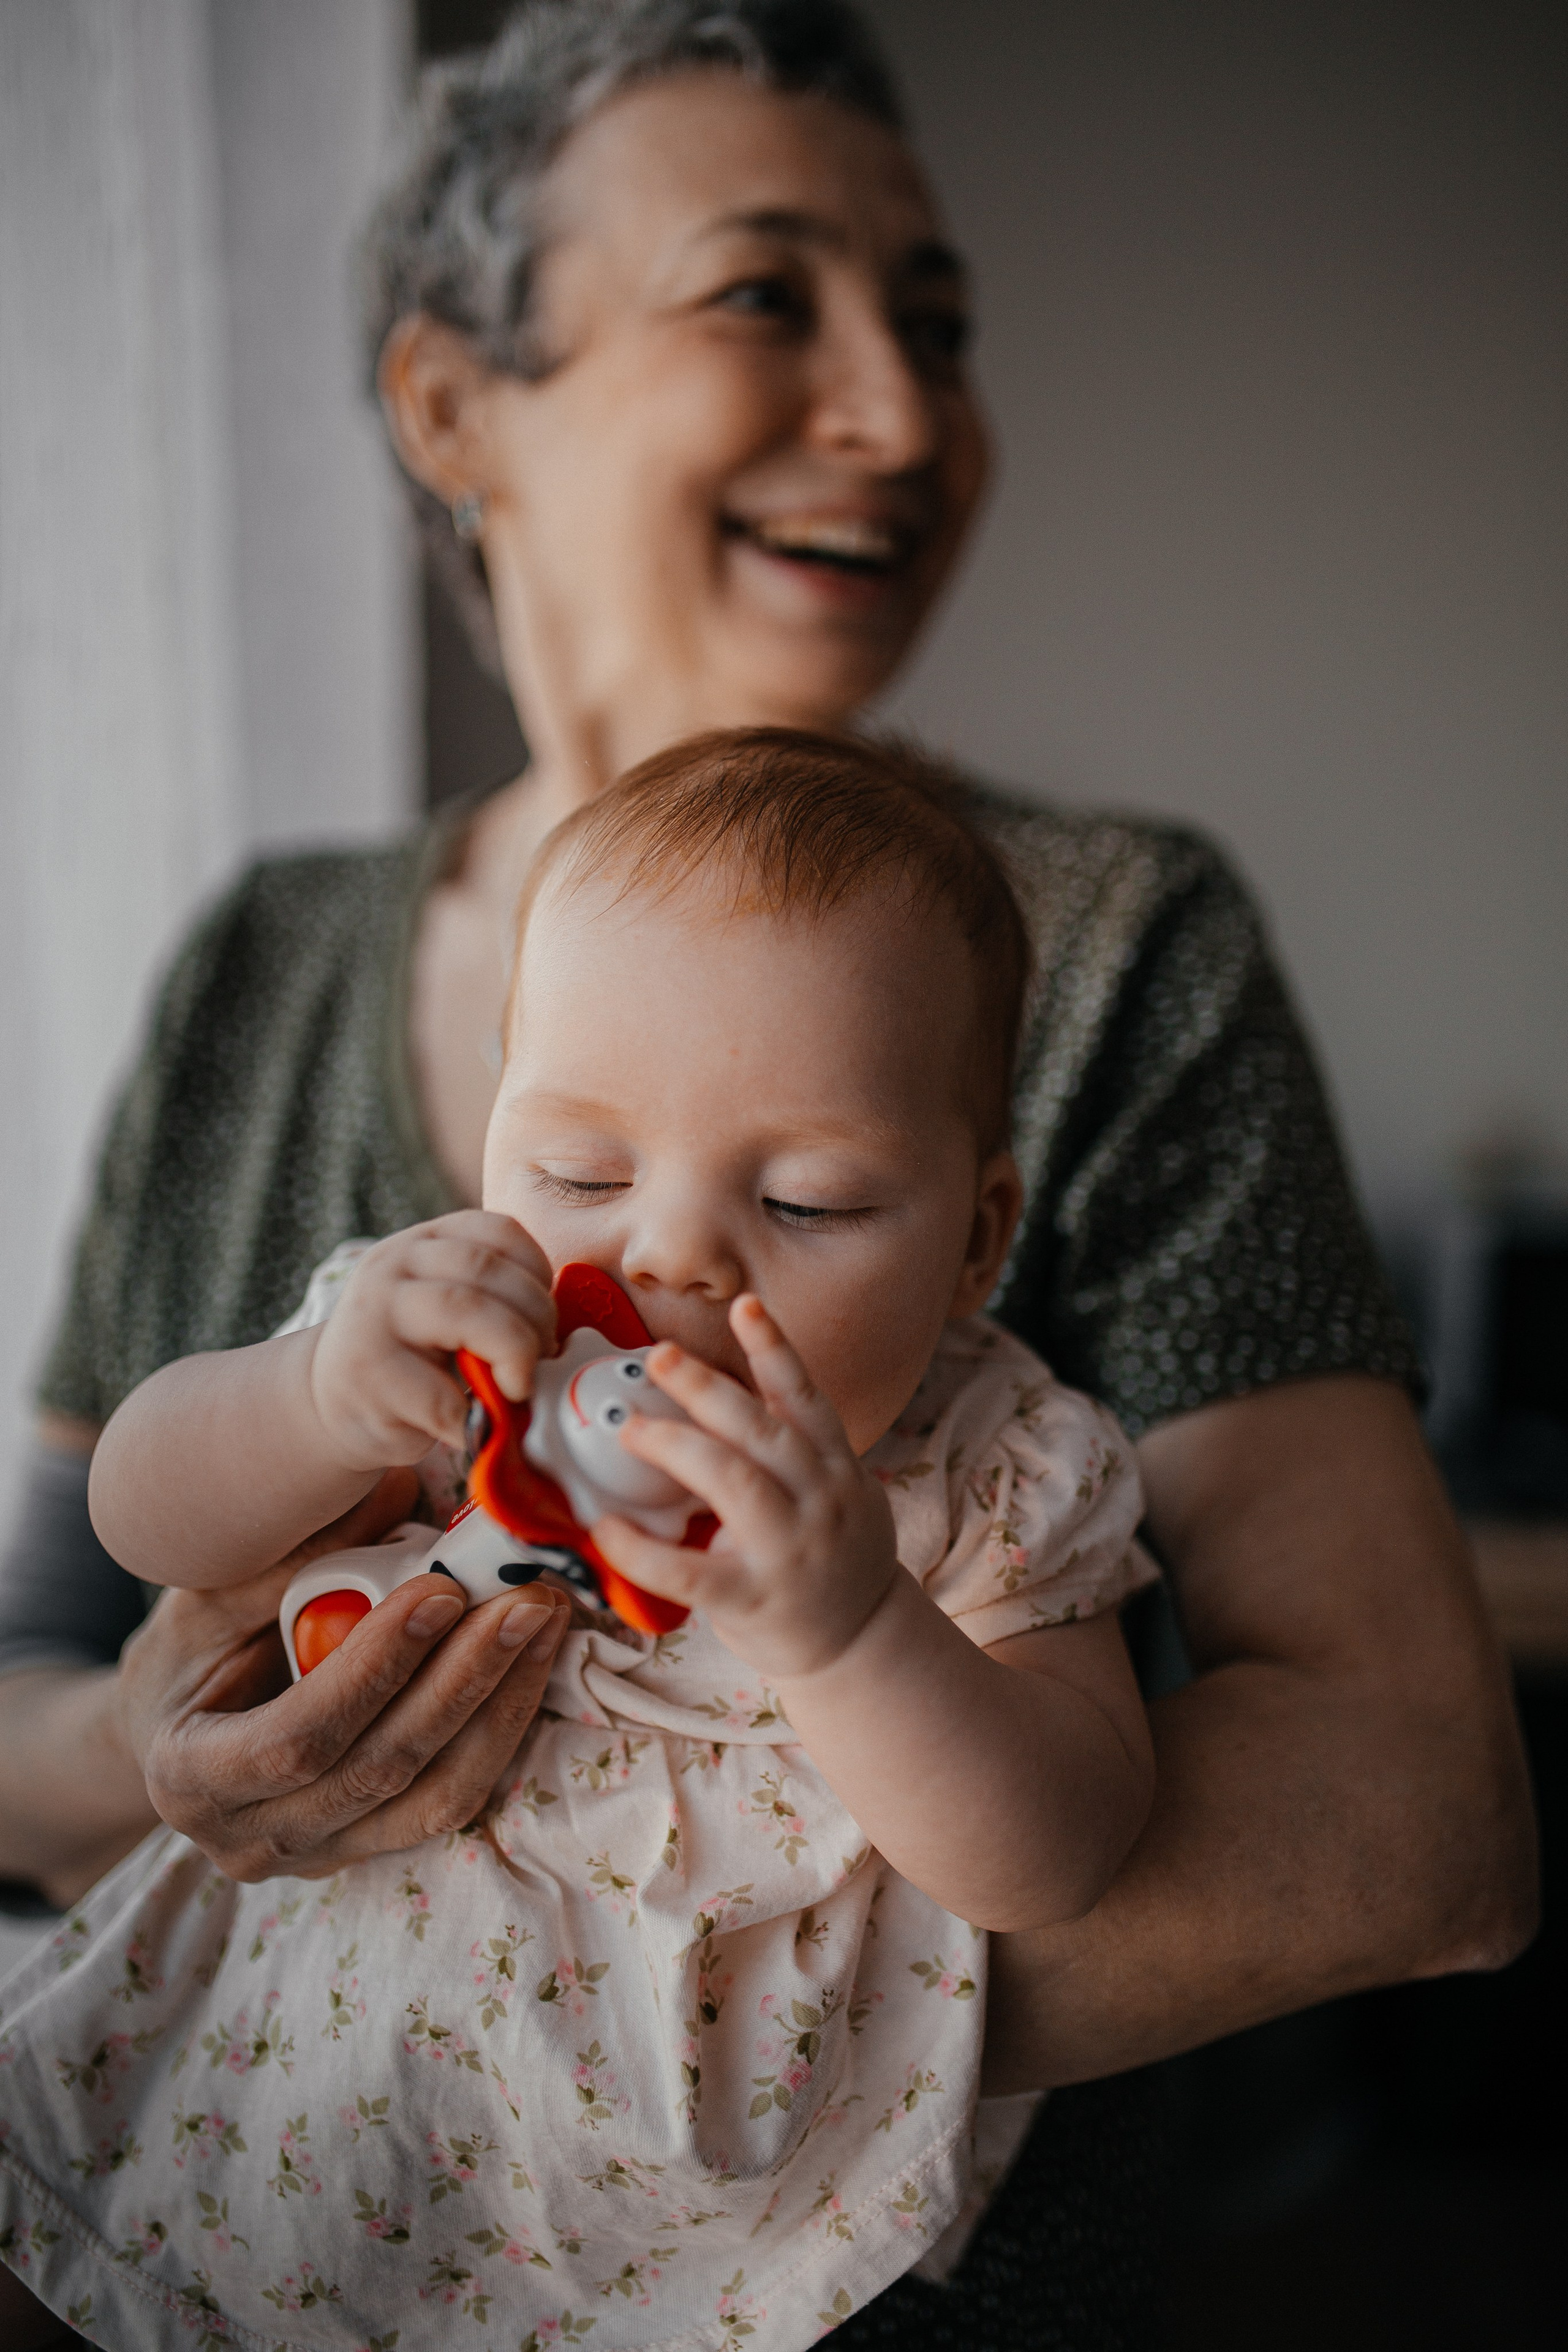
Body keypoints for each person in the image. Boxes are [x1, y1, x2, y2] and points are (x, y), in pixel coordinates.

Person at [0, 4, 1534, 2346]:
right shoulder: (288, 1023)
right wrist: (178, 1722)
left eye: (940, 326)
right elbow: (69, 1601)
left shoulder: (1099, 984)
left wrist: (587, 2038)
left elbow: (1421, 1829)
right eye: (760, 292)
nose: (903, 415)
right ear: (452, 404)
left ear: (973, 1221)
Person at [2, 731, 1160, 2349]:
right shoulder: (444, 1342)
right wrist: (310, 1400)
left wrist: (851, 1632)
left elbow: (1064, 1854)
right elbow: (139, 1507)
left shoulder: (990, 1466)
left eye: (810, 1202)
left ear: (977, 1239)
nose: (670, 1250)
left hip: (685, 2230)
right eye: (583, 1169)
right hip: (290, 2117)